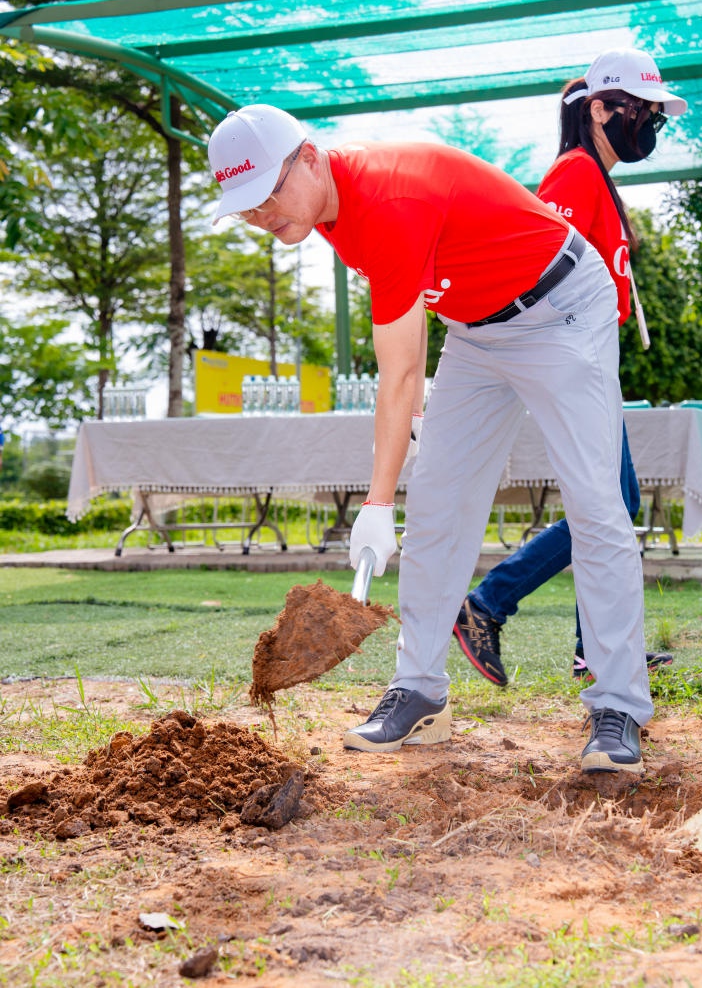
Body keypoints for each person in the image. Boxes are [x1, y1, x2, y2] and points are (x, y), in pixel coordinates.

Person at [207, 100, 653, 774]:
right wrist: (402, 482)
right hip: (475, 329)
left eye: (268, 193)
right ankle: (418, 691)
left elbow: (401, 371)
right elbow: (410, 344)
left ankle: (616, 704)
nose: (262, 215)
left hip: (559, 305)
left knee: (594, 503)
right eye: (246, 207)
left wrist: (375, 502)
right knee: (440, 505)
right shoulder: (317, 209)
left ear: (307, 157)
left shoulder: (387, 198)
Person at [452, 47, 686, 688]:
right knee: (613, 501)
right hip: (574, 366)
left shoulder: (594, 177)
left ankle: (592, 646)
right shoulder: (574, 175)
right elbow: (533, 268)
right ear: (601, 109)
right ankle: (487, 602)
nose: (651, 127)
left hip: (590, 367)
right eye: (642, 112)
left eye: (656, 117)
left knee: (606, 500)